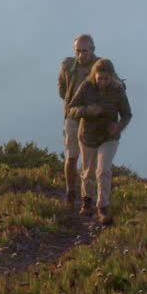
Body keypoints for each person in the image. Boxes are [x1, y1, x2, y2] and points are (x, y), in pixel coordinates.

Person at [66, 57, 132, 225]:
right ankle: (86, 202)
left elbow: (127, 114)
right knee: (88, 171)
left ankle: (103, 207)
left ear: (112, 77)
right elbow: (71, 109)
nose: (102, 81)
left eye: (106, 78)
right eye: (99, 78)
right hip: (88, 135)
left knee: (103, 170)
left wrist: (118, 127)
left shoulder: (117, 90)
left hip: (109, 137)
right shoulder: (86, 87)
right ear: (94, 76)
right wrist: (87, 110)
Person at [58, 34, 98, 210]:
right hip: (72, 117)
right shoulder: (67, 65)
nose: (81, 55)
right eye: (78, 51)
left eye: (85, 51)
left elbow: (115, 84)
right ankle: (70, 192)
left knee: (89, 161)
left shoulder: (101, 66)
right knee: (71, 156)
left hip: (91, 119)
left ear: (92, 50)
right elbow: (62, 89)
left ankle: (87, 198)